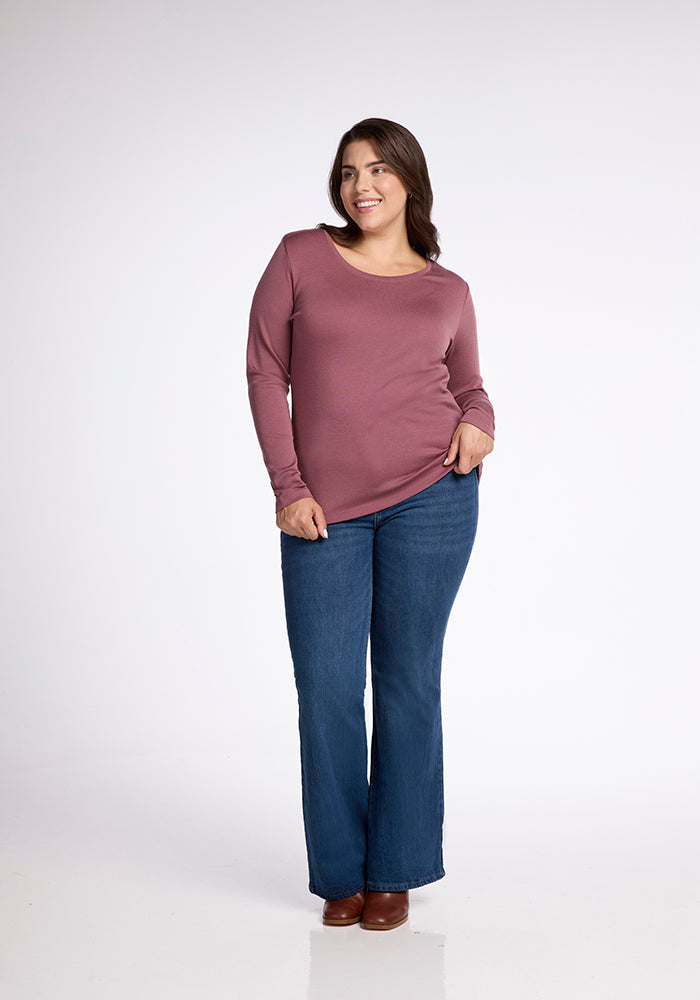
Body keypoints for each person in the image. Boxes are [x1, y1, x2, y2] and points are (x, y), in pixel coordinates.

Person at [246, 118, 494, 931]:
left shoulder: (447, 289)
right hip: (321, 509)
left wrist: (480, 423)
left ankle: (397, 869)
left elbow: (470, 386)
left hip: (434, 493)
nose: (363, 185)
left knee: (409, 679)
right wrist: (288, 484)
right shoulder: (299, 256)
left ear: (410, 182)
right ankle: (340, 872)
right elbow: (265, 370)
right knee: (325, 689)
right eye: (350, 171)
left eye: (380, 170)